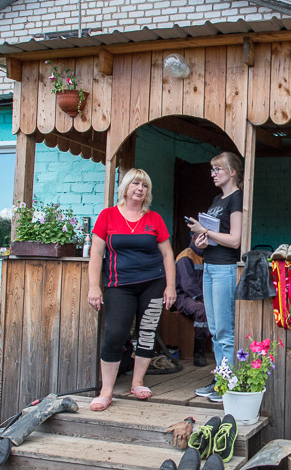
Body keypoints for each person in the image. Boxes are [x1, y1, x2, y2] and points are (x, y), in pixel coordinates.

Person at [87, 168, 176, 409]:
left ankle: (137, 382)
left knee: (147, 332)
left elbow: (167, 254)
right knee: (115, 333)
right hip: (119, 285)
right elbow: (96, 253)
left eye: (144, 185)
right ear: (125, 187)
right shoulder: (108, 216)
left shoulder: (154, 219)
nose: (140, 188)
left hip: (153, 283)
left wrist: (170, 286)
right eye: (136, 183)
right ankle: (106, 390)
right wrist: (94, 287)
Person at [187, 152, 243, 400]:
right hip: (209, 266)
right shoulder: (216, 200)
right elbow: (214, 237)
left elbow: (235, 240)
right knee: (214, 328)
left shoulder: (236, 198)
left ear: (232, 172)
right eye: (211, 170)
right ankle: (221, 379)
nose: (213, 173)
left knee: (224, 330)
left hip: (225, 269)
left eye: (218, 169)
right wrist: (202, 239)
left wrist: (205, 231)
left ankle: (228, 383)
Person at [174, 246, 210, 367]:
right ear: (193, 237)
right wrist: (204, 299)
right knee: (202, 310)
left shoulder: (208, 255)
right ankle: (198, 353)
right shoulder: (186, 256)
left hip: (201, 296)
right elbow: (188, 285)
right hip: (183, 296)